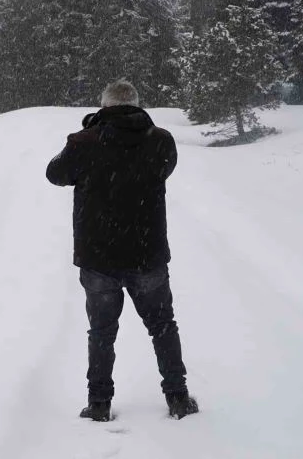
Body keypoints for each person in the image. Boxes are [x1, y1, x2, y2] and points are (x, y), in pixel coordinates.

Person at [46, 79, 198, 421]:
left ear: (104, 106)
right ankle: (177, 396)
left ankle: (99, 403)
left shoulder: (83, 142)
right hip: (148, 254)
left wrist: (89, 133)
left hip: (99, 259)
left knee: (101, 333)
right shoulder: (160, 140)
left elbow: (55, 173)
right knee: (162, 326)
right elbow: (165, 168)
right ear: (136, 104)